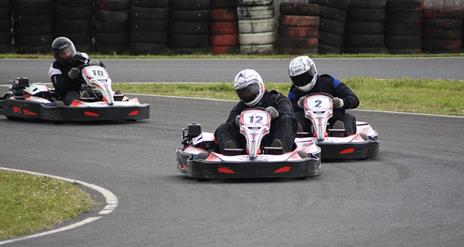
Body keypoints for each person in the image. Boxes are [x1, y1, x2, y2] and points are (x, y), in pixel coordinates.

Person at [214, 69, 297, 153]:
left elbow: (289, 113)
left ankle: (277, 149)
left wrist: (277, 115)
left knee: (287, 120)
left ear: (260, 85)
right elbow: (228, 125)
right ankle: (231, 151)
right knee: (222, 128)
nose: (247, 94)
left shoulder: (275, 98)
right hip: (246, 141)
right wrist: (237, 122)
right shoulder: (240, 107)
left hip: (271, 137)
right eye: (242, 92)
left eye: (250, 90)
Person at [287, 56, 359, 136]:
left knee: (348, 118)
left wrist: (340, 102)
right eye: (298, 79)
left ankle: (340, 133)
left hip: (333, 119)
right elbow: (288, 109)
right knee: (295, 118)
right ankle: (298, 135)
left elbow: (354, 99)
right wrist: (298, 104)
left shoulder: (330, 82)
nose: (302, 81)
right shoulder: (294, 91)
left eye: (305, 77)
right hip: (308, 124)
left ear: (313, 70)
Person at [48, 37, 103, 105]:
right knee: (73, 98)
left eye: (68, 51)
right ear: (57, 56)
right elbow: (59, 88)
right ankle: (78, 113)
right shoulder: (55, 67)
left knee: (101, 94)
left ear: (72, 49)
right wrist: (69, 76)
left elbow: (99, 69)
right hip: (69, 93)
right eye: (63, 54)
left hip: (86, 88)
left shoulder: (82, 56)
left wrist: (98, 63)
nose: (67, 55)